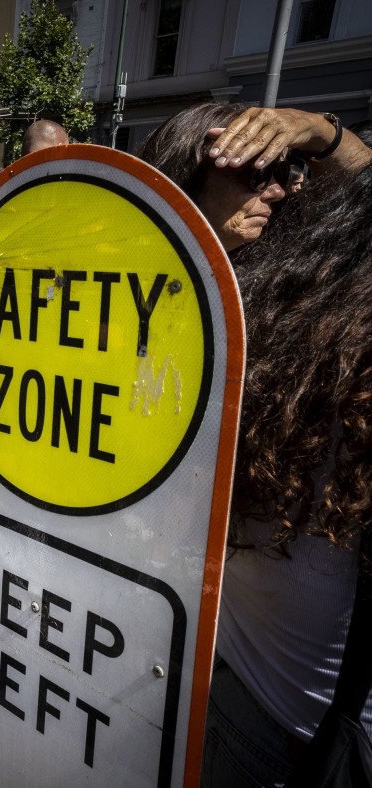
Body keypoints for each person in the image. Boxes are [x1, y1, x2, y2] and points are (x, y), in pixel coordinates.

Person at [141, 105, 372, 784]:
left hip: (284, 695)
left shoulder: (309, 308)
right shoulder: (145, 301)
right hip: (182, 654)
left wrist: (317, 131)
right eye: (253, 171)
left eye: (287, 171)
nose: (279, 189)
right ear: (185, 182)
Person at [136, 104, 368, 253]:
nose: (278, 192)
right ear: (185, 176)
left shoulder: (279, 263)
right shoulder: (116, 266)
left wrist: (319, 130)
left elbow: (364, 189)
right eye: (258, 174)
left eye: (282, 173)